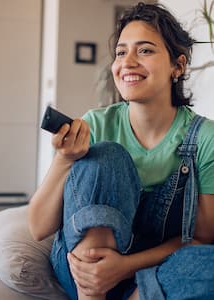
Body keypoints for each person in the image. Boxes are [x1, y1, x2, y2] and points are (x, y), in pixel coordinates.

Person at [28, 2, 214, 300]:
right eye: (120, 52)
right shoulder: (96, 124)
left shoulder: (205, 138)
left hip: (152, 271)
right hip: (83, 274)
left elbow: (202, 239)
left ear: (177, 66)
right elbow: (38, 228)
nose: (127, 62)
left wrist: (125, 267)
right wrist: (65, 159)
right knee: (107, 156)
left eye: (145, 50)